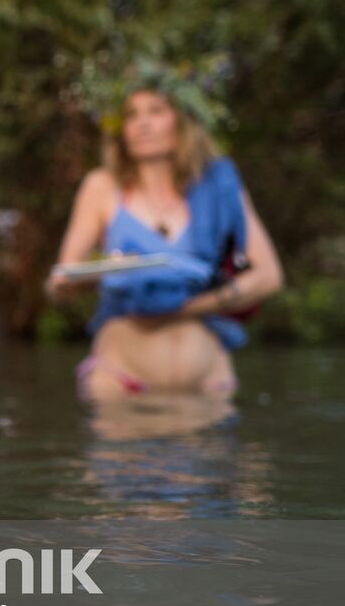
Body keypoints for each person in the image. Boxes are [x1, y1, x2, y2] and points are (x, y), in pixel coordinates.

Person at [47, 74, 283, 401]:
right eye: (131, 115)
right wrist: (106, 271)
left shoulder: (219, 186)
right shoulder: (101, 187)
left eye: (155, 111)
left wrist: (185, 308)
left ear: (183, 121)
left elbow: (269, 276)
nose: (142, 123)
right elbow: (61, 281)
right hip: (122, 376)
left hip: (206, 379)